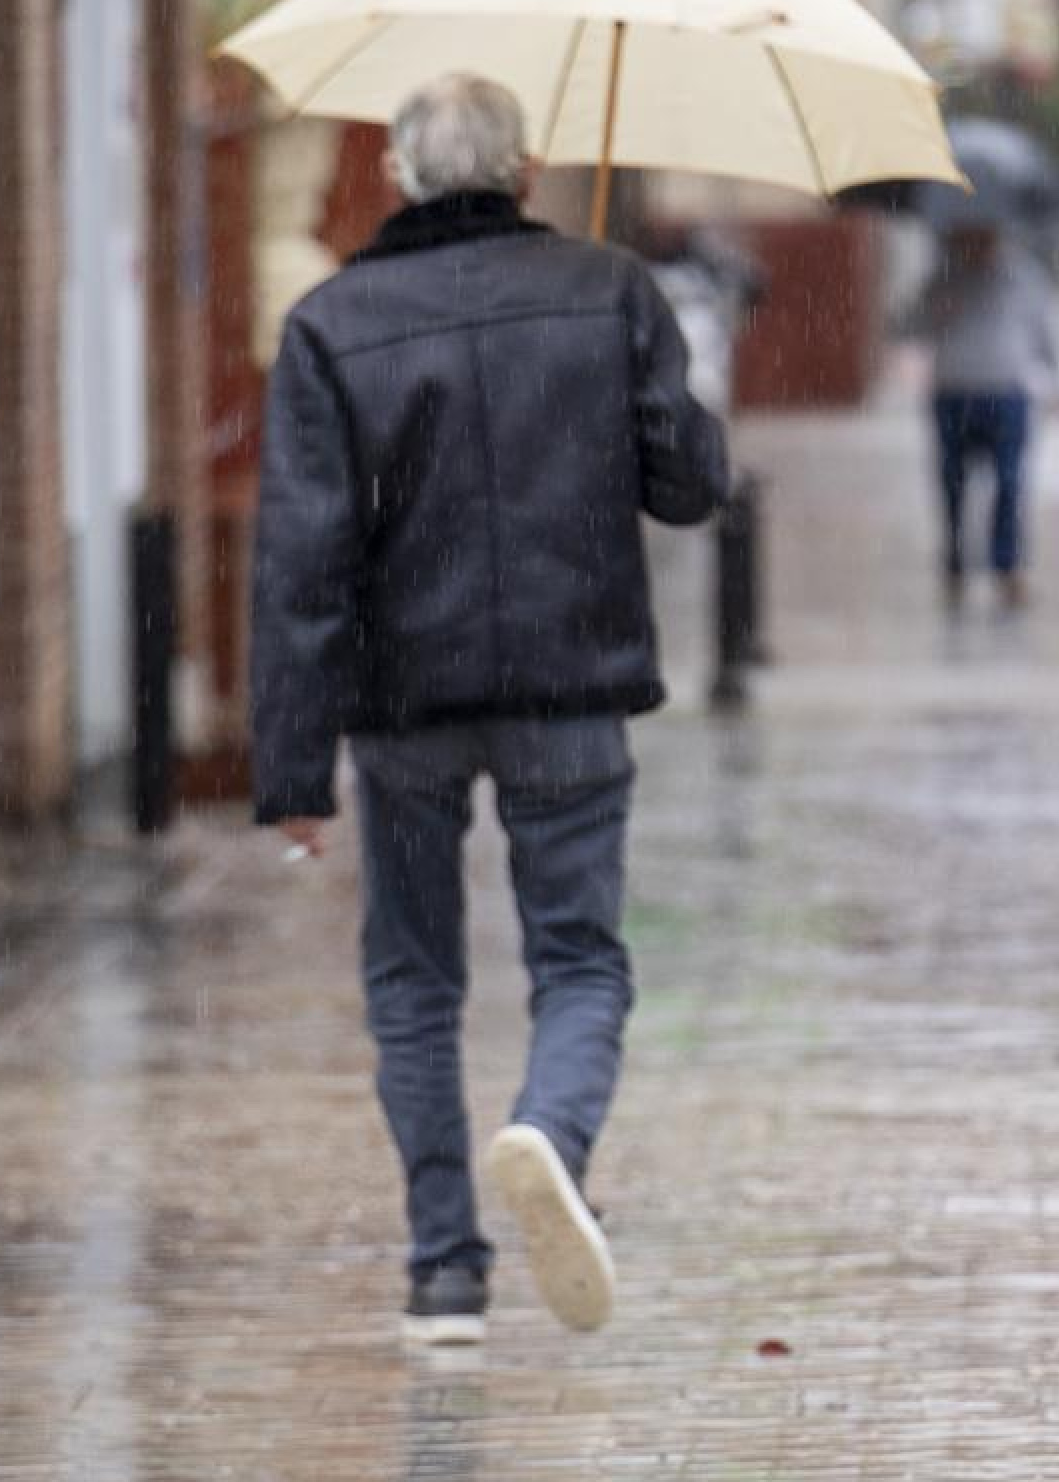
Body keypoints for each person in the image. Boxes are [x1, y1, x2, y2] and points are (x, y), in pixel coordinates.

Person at [249, 72, 729, 1347]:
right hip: (571, 687)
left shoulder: (330, 326)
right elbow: (690, 485)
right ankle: (550, 1137)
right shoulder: (607, 290)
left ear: (402, 178)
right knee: (579, 958)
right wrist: (649, 369)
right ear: (522, 174)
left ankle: (445, 1269)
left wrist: (293, 772)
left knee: (413, 979)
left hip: (403, 704)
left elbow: (300, 564)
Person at [908, 217, 1059, 607]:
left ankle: (1006, 567)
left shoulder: (1023, 275)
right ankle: (955, 564)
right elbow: (910, 324)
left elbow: (1044, 329)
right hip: (954, 391)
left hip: (1006, 391)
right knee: (952, 484)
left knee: (1009, 483)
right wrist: (943, 305)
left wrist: (1058, 381)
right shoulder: (943, 275)